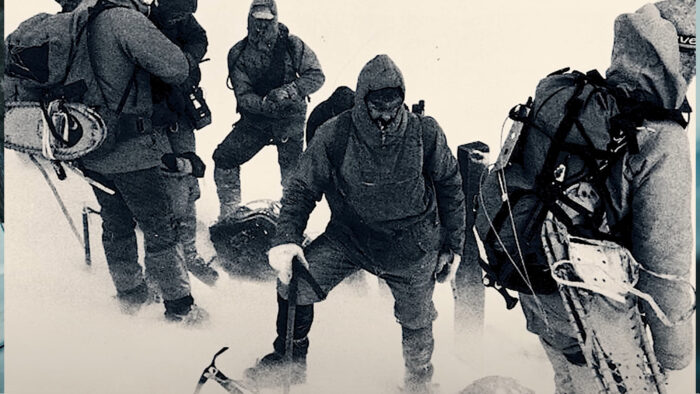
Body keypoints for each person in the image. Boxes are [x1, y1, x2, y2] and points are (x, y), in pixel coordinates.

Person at [245, 54, 466, 393]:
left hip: (412, 246)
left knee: (418, 320)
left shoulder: (425, 132)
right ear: (363, 99)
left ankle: (418, 382)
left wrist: (453, 246)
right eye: (377, 104)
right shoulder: (335, 133)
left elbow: (451, 185)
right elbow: (302, 187)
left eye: (394, 103)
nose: (386, 114)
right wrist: (288, 238)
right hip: (350, 239)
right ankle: (287, 362)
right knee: (296, 286)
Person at [516, 1, 695, 392]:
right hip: (597, 321)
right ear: (677, 56)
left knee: (568, 380)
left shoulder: (576, 103)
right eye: (692, 57)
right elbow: (666, 269)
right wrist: (675, 354)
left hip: (537, 291)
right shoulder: (662, 139)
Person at [78, 0, 207, 324]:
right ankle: (181, 307)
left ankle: (130, 298)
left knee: (116, 225)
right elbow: (175, 66)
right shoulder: (125, 20)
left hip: (90, 145)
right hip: (132, 149)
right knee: (159, 227)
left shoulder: (77, 19)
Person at [212, 0, 324, 220]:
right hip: (256, 121)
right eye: (257, 19)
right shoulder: (239, 53)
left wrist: (289, 91)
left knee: (294, 179)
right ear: (249, 18)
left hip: (289, 122)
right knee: (224, 158)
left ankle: (290, 223)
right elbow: (243, 95)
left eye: (266, 19)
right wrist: (264, 104)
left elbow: (316, 76)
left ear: (275, 18)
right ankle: (229, 215)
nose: (261, 25)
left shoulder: (293, 45)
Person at [149, 0, 219, 286]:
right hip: (153, 118)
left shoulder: (183, 20)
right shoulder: (143, 20)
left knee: (189, 180)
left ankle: (188, 253)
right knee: (166, 187)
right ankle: (161, 270)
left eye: (185, 14)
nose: (181, 18)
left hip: (180, 114)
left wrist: (186, 61)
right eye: (177, 12)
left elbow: (200, 38)